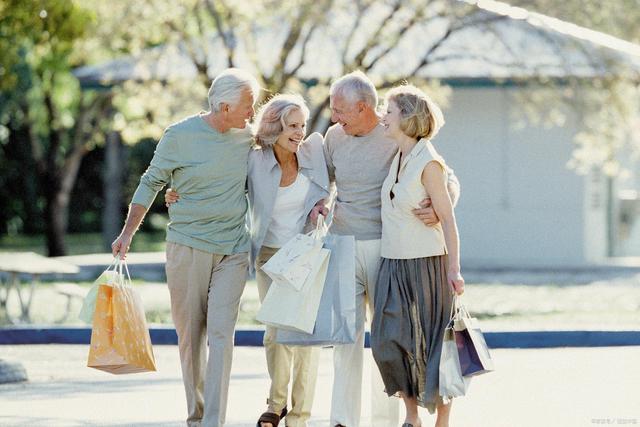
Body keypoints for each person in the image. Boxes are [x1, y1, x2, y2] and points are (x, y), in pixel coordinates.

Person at [165, 94, 330, 427]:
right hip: (270, 254)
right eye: (291, 126)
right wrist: (178, 189)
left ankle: (298, 415)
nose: (299, 133)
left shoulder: (315, 151)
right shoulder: (254, 159)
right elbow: (218, 179)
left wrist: (322, 206)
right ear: (275, 126)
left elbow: (338, 182)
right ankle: (277, 401)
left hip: (306, 251)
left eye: (301, 125)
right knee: (276, 331)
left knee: (305, 336)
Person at [308, 71, 460, 427]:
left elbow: (447, 179)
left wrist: (441, 205)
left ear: (363, 107)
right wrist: (320, 203)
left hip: (385, 249)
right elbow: (325, 183)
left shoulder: (395, 134)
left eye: (340, 110)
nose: (334, 117)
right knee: (345, 339)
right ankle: (343, 420)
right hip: (342, 244)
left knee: (386, 337)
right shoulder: (334, 137)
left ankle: (386, 420)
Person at [111, 68, 260, 427]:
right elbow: (151, 183)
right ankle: (196, 416)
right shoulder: (179, 136)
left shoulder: (250, 138)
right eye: (247, 106)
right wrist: (127, 233)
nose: (251, 114)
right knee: (191, 338)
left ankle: (213, 421)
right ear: (224, 107)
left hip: (233, 249)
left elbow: (287, 142)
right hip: (188, 246)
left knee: (223, 334)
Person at [370, 84, 465, 427]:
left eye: (389, 111)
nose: (383, 117)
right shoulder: (398, 155)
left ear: (407, 118)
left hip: (428, 264)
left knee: (435, 344)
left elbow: (449, 222)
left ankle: (439, 421)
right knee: (387, 341)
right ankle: (411, 415)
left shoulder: (429, 162)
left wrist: (454, 270)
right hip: (392, 263)